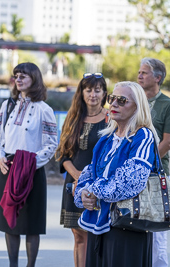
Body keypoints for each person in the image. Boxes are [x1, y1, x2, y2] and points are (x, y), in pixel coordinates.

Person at [74, 81, 159, 267]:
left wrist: (94, 191)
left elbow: (131, 182)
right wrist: (82, 193)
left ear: (138, 106)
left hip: (127, 226)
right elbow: (89, 173)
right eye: (112, 99)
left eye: (122, 100)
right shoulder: (105, 139)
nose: (113, 104)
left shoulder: (142, 135)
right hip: (100, 223)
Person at [0, 62, 57, 267]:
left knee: (31, 223)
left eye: (23, 76)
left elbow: (51, 143)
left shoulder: (44, 110)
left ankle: (30, 265)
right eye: (16, 75)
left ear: (34, 79)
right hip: (7, 167)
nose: (18, 79)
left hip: (31, 170)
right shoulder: (7, 105)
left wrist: (30, 164)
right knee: (9, 223)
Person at [56, 73, 108, 267]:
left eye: (97, 90)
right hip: (74, 183)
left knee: (96, 235)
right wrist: (77, 175)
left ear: (104, 94)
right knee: (79, 236)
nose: (92, 94)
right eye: (88, 90)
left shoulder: (110, 119)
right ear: (82, 92)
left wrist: (90, 178)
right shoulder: (73, 117)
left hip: (99, 186)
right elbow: (63, 154)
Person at [137, 57, 170, 267]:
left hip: (156, 175)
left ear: (157, 77)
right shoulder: (133, 101)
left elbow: (169, 142)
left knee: (157, 235)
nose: (139, 75)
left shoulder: (168, 105)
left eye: (144, 72)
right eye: (139, 72)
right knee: (132, 227)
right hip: (131, 176)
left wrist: (146, 164)